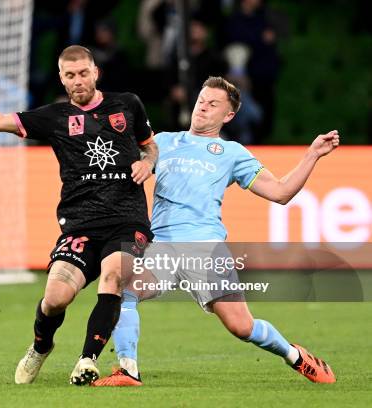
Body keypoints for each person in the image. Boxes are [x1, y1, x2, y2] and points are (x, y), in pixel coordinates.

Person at [0, 45, 158, 385]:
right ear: (61, 77)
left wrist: (147, 163)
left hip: (127, 220)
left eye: (83, 73)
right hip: (80, 223)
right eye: (70, 75)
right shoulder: (54, 117)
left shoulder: (127, 104)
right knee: (55, 299)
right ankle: (41, 346)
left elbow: (150, 145)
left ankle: (87, 360)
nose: (77, 81)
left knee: (114, 275)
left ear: (95, 72)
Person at [93, 76, 338, 386]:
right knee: (122, 289)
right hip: (160, 246)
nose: (203, 108)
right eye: (201, 101)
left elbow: (280, 192)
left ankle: (295, 356)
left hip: (205, 248)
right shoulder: (163, 142)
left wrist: (312, 155)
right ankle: (128, 370)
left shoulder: (233, 153)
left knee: (242, 327)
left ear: (228, 115)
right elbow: (125, 165)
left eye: (213, 104)